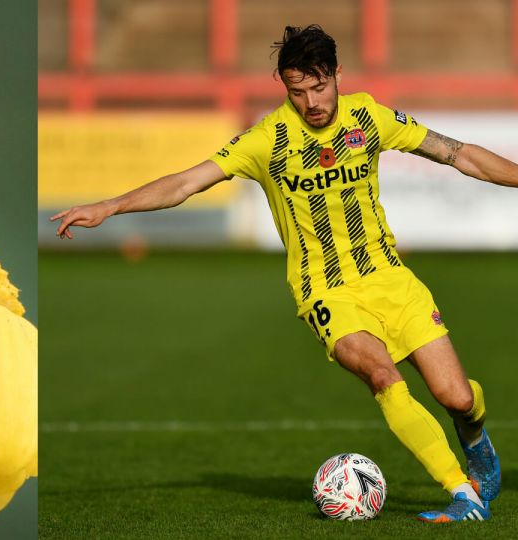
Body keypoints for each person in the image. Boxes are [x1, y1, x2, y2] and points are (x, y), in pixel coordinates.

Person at [50, 25, 505, 522]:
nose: (310, 101)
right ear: (285, 88)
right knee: (381, 375)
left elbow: (458, 154)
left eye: (318, 86)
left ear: (334, 75)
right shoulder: (268, 139)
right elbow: (186, 182)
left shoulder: (369, 117)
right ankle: (462, 493)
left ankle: (474, 434)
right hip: (325, 291)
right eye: (297, 91)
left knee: (456, 397)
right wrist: (111, 206)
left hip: (392, 279)